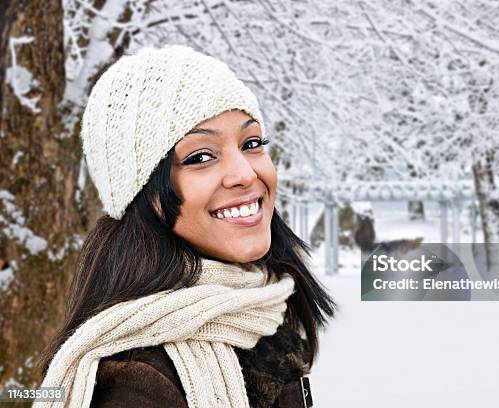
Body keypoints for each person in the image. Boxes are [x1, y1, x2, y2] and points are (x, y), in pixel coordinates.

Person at [34, 45, 337, 408]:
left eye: (252, 143)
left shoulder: (265, 321)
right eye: (201, 157)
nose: (245, 173)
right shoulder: (134, 385)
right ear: (143, 193)